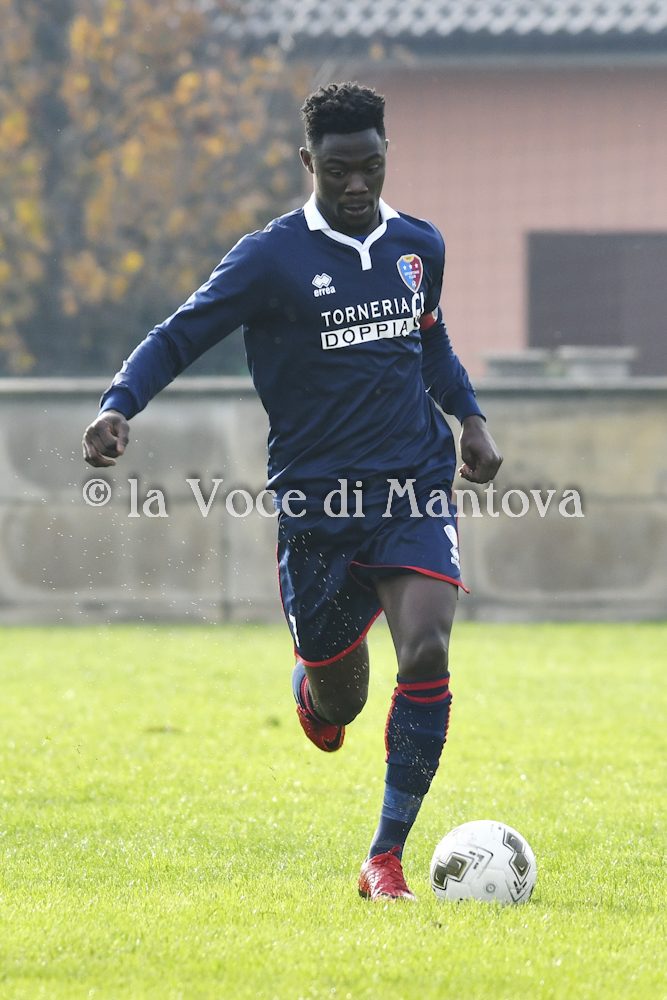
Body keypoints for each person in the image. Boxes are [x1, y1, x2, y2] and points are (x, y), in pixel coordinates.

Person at [83, 82, 502, 902]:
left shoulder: (418, 245)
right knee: (342, 704)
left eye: (370, 167)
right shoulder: (269, 258)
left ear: (386, 157)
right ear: (309, 162)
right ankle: (314, 691)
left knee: (426, 650)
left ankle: (384, 858)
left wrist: (470, 419)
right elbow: (180, 334)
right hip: (317, 512)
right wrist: (118, 404)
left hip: (413, 489)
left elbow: (429, 338)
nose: (356, 185)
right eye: (338, 170)